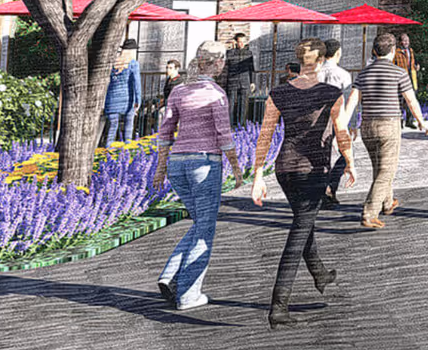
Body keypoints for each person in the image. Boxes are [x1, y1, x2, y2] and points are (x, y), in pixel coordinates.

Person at [249, 38, 357, 328]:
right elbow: (341, 131)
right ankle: (278, 307)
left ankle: (320, 273)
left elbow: (265, 136)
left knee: (302, 222)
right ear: (321, 62)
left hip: (285, 170)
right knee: (298, 234)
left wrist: (259, 175)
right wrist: (350, 162)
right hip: (313, 171)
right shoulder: (330, 92)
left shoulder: (278, 93)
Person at [150, 41, 242, 311]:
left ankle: (170, 275)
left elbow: (165, 131)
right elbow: (224, 136)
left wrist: (160, 167)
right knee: (205, 229)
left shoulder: (178, 91)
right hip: (204, 162)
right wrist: (236, 168)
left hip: (178, 163)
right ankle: (188, 294)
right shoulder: (215, 94)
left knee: (199, 223)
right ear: (219, 63)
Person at [355, 32, 427, 229]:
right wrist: (421, 120)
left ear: (374, 51)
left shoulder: (363, 74)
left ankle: (387, 203)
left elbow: (354, 100)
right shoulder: (399, 73)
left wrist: (349, 125)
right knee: (387, 170)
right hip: (389, 124)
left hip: (367, 125)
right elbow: (411, 99)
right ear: (393, 50)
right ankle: (370, 212)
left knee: (379, 168)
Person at [317, 39, 354, 206]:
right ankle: (331, 186)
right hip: (337, 118)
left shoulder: (315, 73)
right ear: (338, 53)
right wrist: (351, 124)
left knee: (322, 156)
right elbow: (348, 102)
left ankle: (322, 189)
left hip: (317, 120)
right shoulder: (343, 75)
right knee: (345, 154)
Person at [104, 39, 143, 144]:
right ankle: (126, 152)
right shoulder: (133, 64)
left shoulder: (113, 63)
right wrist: (138, 100)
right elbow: (137, 83)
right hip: (127, 100)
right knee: (128, 128)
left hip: (111, 99)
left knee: (112, 128)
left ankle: (107, 151)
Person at [224, 33, 256, 127]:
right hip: (232, 82)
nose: (241, 44)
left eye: (243, 42)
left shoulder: (249, 53)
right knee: (230, 104)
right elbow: (226, 67)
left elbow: (251, 68)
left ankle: (242, 126)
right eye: (239, 42)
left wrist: (252, 82)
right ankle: (228, 125)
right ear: (236, 42)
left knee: (244, 105)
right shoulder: (229, 53)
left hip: (245, 82)